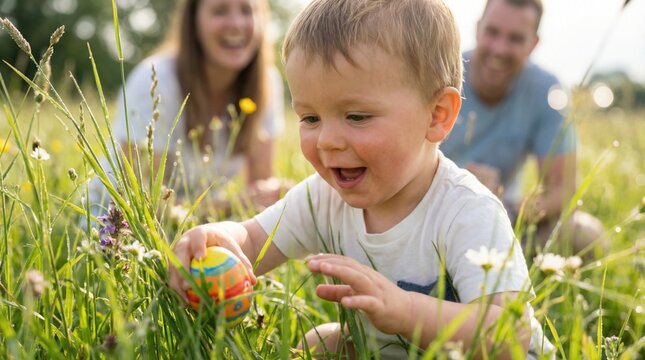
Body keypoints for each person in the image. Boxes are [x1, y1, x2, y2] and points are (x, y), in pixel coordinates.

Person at [169, 0, 554, 358]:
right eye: (310, 118)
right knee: (320, 343)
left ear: (437, 115)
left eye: (356, 117)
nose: (327, 141)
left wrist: (404, 310)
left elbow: (509, 334)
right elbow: (253, 239)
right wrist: (219, 237)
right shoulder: (325, 197)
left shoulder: (467, 211)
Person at [440, 0, 604, 256]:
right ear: (477, 29)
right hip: (428, 208)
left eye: (515, 39)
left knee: (585, 234)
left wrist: (513, 207)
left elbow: (563, 189)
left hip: (502, 216)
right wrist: (458, 181)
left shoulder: (547, 90)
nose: (499, 49)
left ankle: (502, 263)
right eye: (492, 32)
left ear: (533, 44)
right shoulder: (439, 73)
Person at [107, 0, 286, 211]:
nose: (237, 23)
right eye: (220, 11)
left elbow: (260, 185)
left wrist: (280, 197)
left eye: (247, 10)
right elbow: (140, 202)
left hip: (197, 223)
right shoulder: (155, 82)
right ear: (193, 22)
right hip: (115, 228)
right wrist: (230, 205)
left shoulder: (266, 83)